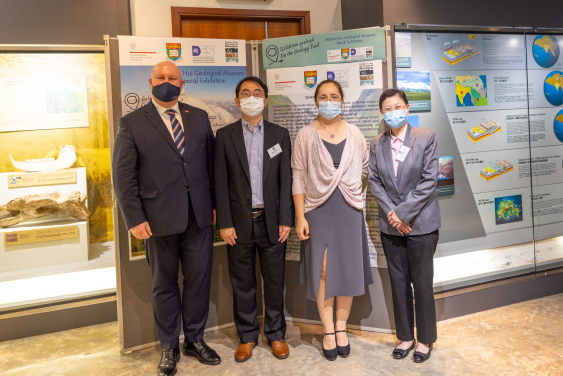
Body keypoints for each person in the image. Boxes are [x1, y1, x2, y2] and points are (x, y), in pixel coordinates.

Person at [112, 61, 221, 376]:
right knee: (164, 285)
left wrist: (213, 205)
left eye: (172, 77)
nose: (167, 82)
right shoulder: (131, 122)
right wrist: (133, 218)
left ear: (181, 82)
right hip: (156, 220)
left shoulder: (198, 117)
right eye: (160, 77)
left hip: (198, 217)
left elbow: (210, 167)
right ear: (150, 82)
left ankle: (195, 340)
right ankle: (169, 346)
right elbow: (123, 178)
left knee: (199, 282)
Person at [292, 79, 374, 361]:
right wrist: (300, 215)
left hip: (349, 209)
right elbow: (298, 176)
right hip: (317, 209)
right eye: (323, 97)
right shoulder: (305, 135)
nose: (329, 101)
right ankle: (327, 330)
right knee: (324, 270)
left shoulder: (355, 133)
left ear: (342, 100)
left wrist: (351, 192)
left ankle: (341, 327)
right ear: (316, 102)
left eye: (334, 96)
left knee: (348, 268)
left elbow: (364, 169)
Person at [214, 77, 293, 362]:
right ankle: (247, 336)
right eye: (245, 94)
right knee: (242, 283)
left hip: (272, 222)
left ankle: (275, 334)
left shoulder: (279, 134)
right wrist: (224, 222)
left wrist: (287, 219)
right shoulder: (224, 136)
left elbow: (287, 179)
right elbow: (219, 183)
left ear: (266, 100)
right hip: (238, 223)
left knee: (274, 281)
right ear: (237, 101)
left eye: (257, 93)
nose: (251, 98)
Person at [368, 88, 441, 363]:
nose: (393, 112)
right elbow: (374, 181)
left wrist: (404, 215)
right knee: (398, 282)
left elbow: (428, 181)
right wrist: (393, 215)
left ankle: (424, 340)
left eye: (397, 106)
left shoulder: (426, 138)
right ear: (382, 113)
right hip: (391, 227)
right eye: (387, 108)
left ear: (407, 108)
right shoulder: (376, 143)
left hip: (421, 224)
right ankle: (405, 337)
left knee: (422, 283)